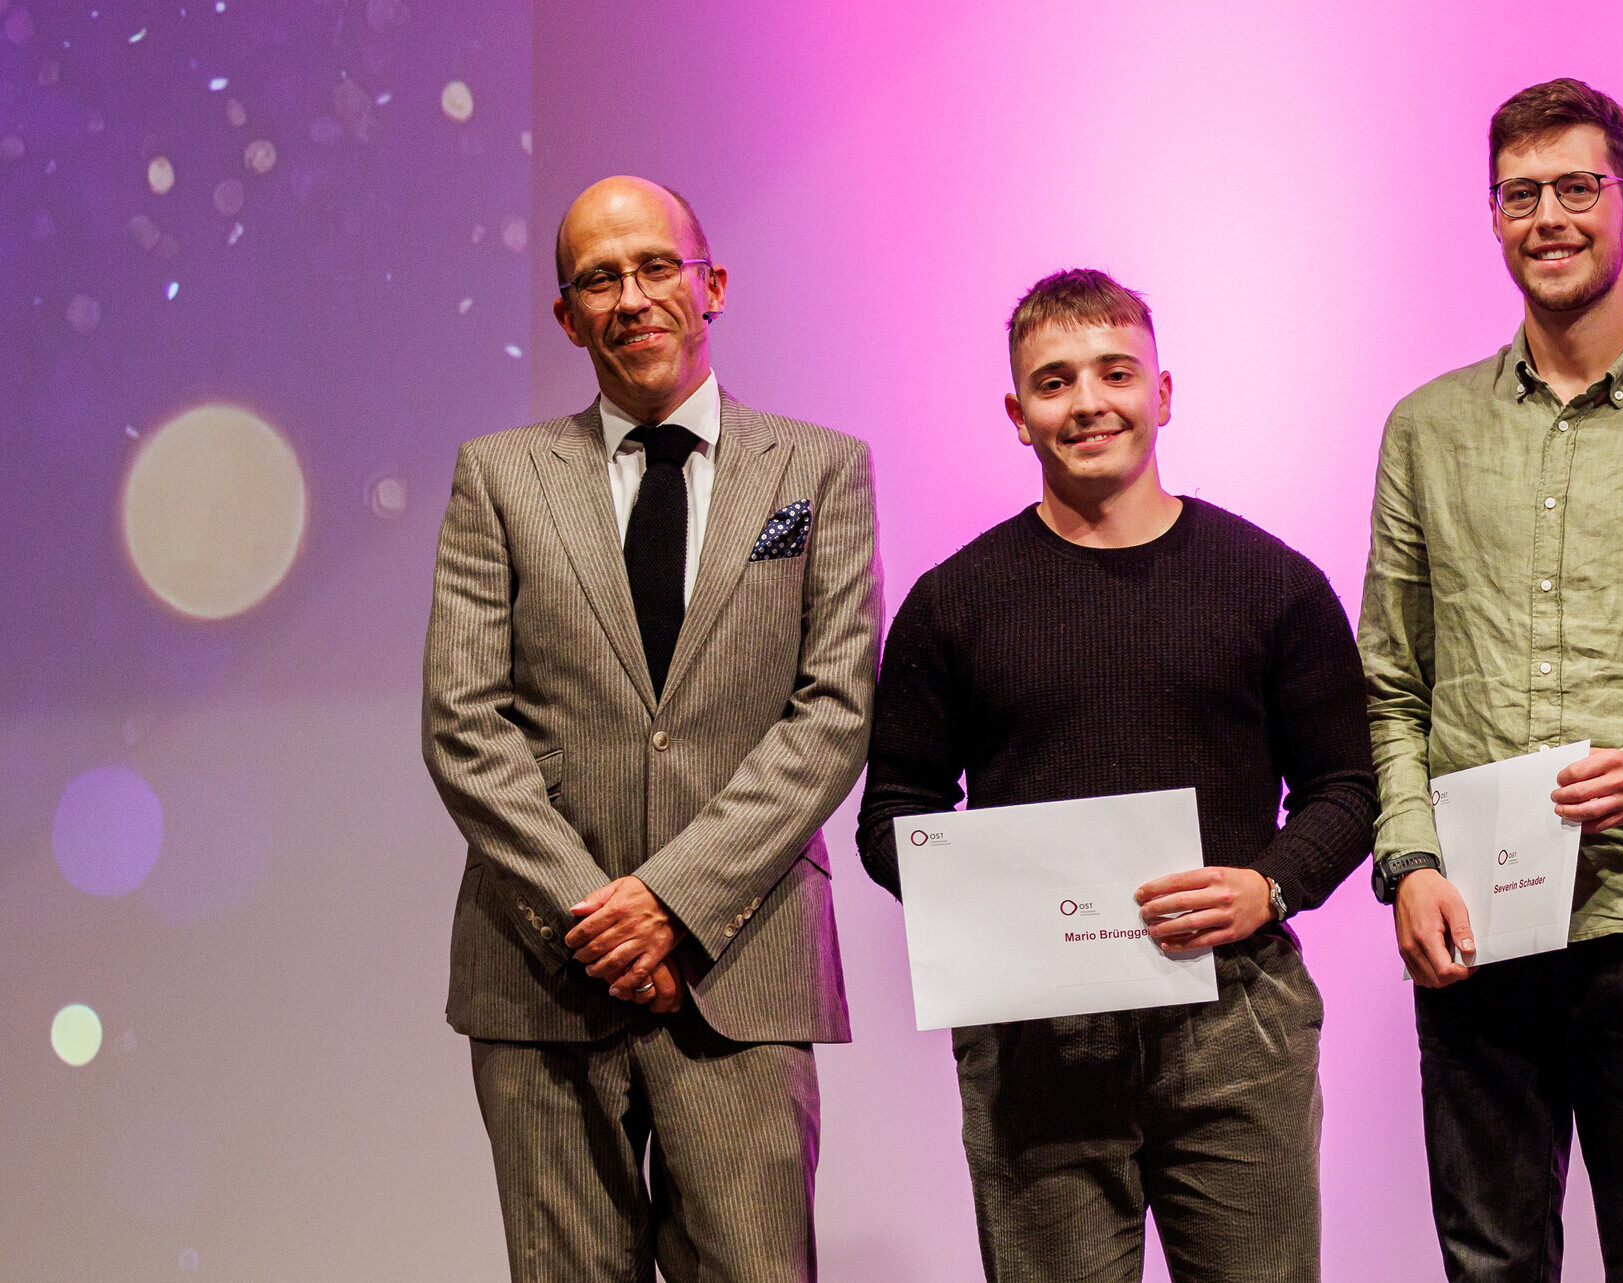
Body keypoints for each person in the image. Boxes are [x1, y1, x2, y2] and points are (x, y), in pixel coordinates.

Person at [855, 269, 1376, 1283]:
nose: (1088, 401)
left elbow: (1347, 788)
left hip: (1238, 1016)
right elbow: (894, 813)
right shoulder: (955, 601)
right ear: (1017, 413)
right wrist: (994, 902)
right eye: (1054, 382)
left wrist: (1266, 884)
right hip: (1033, 1037)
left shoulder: (1271, 581)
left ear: (1164, 391)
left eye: (1115, 372)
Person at [1357, 77, 1623, 1283]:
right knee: (1491, 1260)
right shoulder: (1425, 430)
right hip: (1474, 917)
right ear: (1492, 217)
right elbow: (1390, 682)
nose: (1548, 215)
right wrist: (1412, 860)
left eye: (1575, 188)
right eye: (1519, 193)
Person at [422, 176, 877, 1282]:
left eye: (654, 266)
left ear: (710, 283)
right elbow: (464, 722)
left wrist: (673, 904)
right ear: (566, 316)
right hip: (544, 968)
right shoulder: (501, 475)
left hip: (744, 960)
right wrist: (598, 919)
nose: (630, 296)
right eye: (597, 278)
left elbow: (831, 709)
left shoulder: (819, 469)